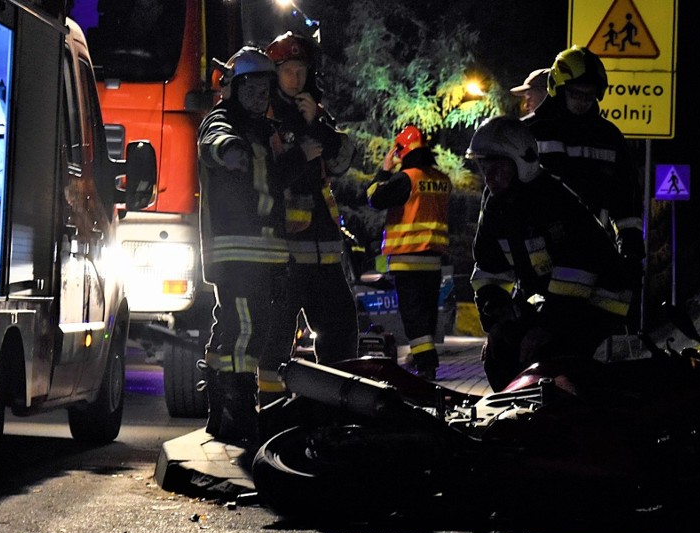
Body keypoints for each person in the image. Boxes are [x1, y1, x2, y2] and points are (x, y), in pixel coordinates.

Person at [467, 116, 634, 391]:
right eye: (483, 167)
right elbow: (489, 268)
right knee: (500, 351)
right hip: (556, 303)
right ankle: (516, 420)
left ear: (522, 161)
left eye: (497, 166)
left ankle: (562, 420)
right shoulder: (496, 205)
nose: (489, 177)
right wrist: (498, 318)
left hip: (599, 302)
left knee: (549, 359)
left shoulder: (553, 201)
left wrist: (545, 328)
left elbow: (577, 274)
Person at [197, 47, 311, 442]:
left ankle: (219, 396)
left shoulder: (266, 131)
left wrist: (301, 155)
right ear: (234, 89)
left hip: (266, 251)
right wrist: (229, 150)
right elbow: (213, 141)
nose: (259, 96)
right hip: (234, 249)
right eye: (251, 89)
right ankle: (241, 406)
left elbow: (275, 183)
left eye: (265, 89)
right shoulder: (223, 121)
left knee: (238, 327)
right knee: (246, 328)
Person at [261, 31, 358, 405]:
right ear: (275, 73)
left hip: (325, 252)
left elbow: (343, 160)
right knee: (275, 338)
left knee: (340, 333)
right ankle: (267, 411)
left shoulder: (315, 112)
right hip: (284, 251)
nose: (296, 78)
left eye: (301, 69)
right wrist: (298, 150)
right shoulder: (264, 118)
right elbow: (265, 177)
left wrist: (318, 124)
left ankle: (333, 409)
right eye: (288, 70)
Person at [523, 45, 644, 327]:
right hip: (541, 257)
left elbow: (625, 198)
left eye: (589, 95)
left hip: (595, 254)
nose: (583, 101)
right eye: (576, 93)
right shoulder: (530, 132)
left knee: (591, 336)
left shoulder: (609, 136)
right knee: (542, 334)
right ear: (558, 87)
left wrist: (631, 245)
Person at [367, 125, 452, 380]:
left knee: (413, 316)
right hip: (433, 260)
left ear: (401, 152)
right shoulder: (441, 179)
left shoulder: (406, 178)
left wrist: (384, 169)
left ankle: (426, 364)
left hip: (406, 260)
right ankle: (420, 356)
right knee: (425, 315)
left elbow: (374, 197)